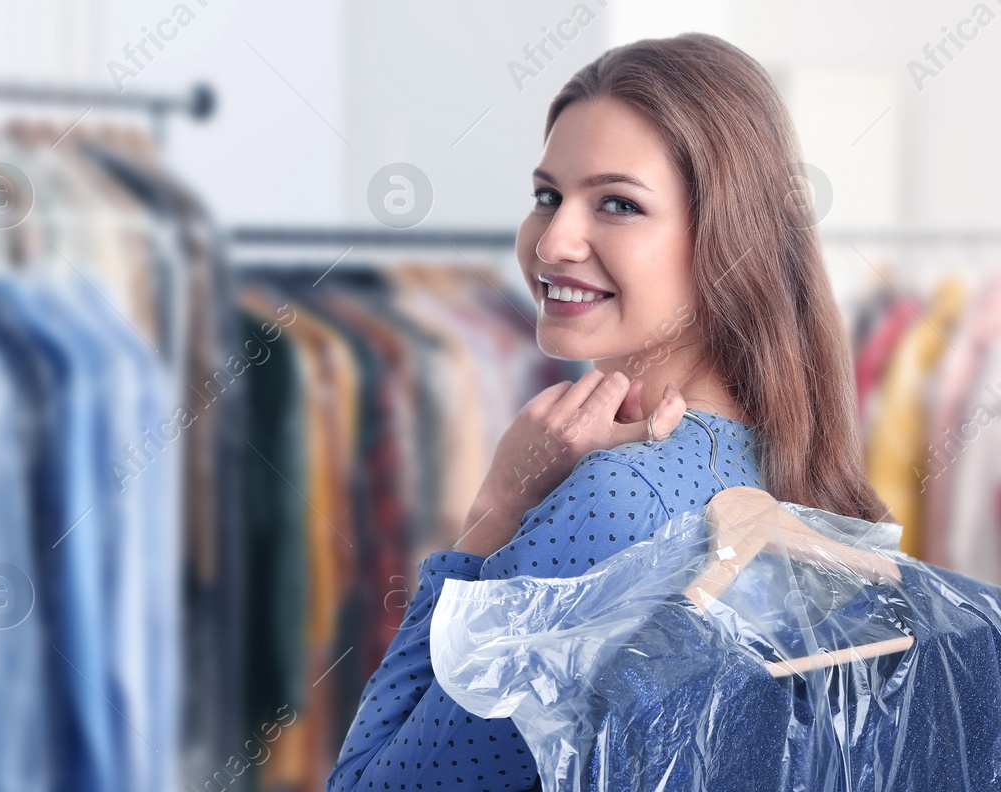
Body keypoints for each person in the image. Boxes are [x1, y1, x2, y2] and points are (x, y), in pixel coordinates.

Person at [326, 32, 889, 792]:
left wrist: (498, 509)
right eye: (547, 197)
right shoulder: (791, 473)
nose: (553, 241)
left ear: (730, 241)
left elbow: (368, 788)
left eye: (618, 204)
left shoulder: (614, 503)